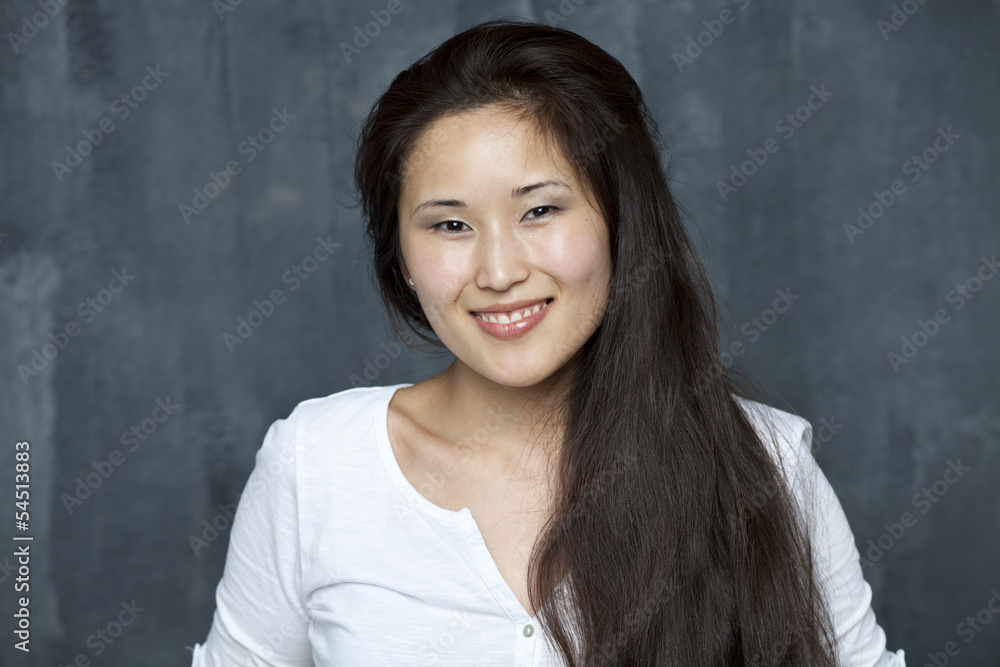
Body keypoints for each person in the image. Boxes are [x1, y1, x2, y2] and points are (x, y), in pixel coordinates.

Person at [188, 17, 906, 666]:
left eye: (539, 210)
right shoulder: (315, 467)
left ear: (621, 221)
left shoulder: (764, 464)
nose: (500, 272)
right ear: (400, 256)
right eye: (450, 225)